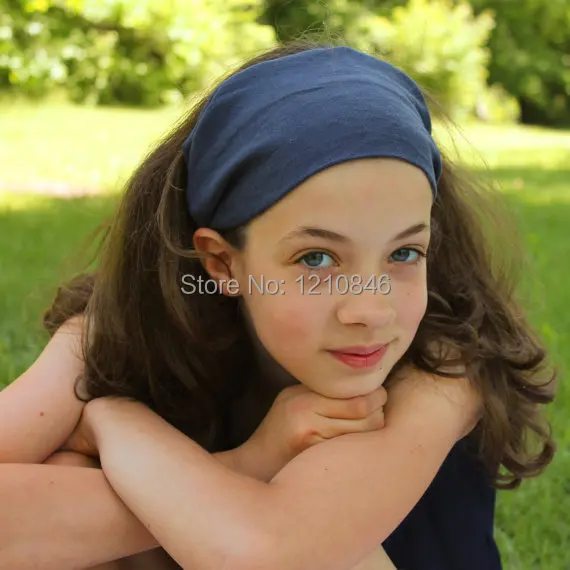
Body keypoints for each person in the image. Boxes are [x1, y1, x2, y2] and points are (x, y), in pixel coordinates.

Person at [0, 40, 556, 569]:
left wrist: (114, 423)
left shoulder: (446, 365)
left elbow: (273, 556)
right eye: (317, 259)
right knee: (68, 468)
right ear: (223, 263)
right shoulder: (123, 328)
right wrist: (249, 463)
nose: (371, 310)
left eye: (405, 252)